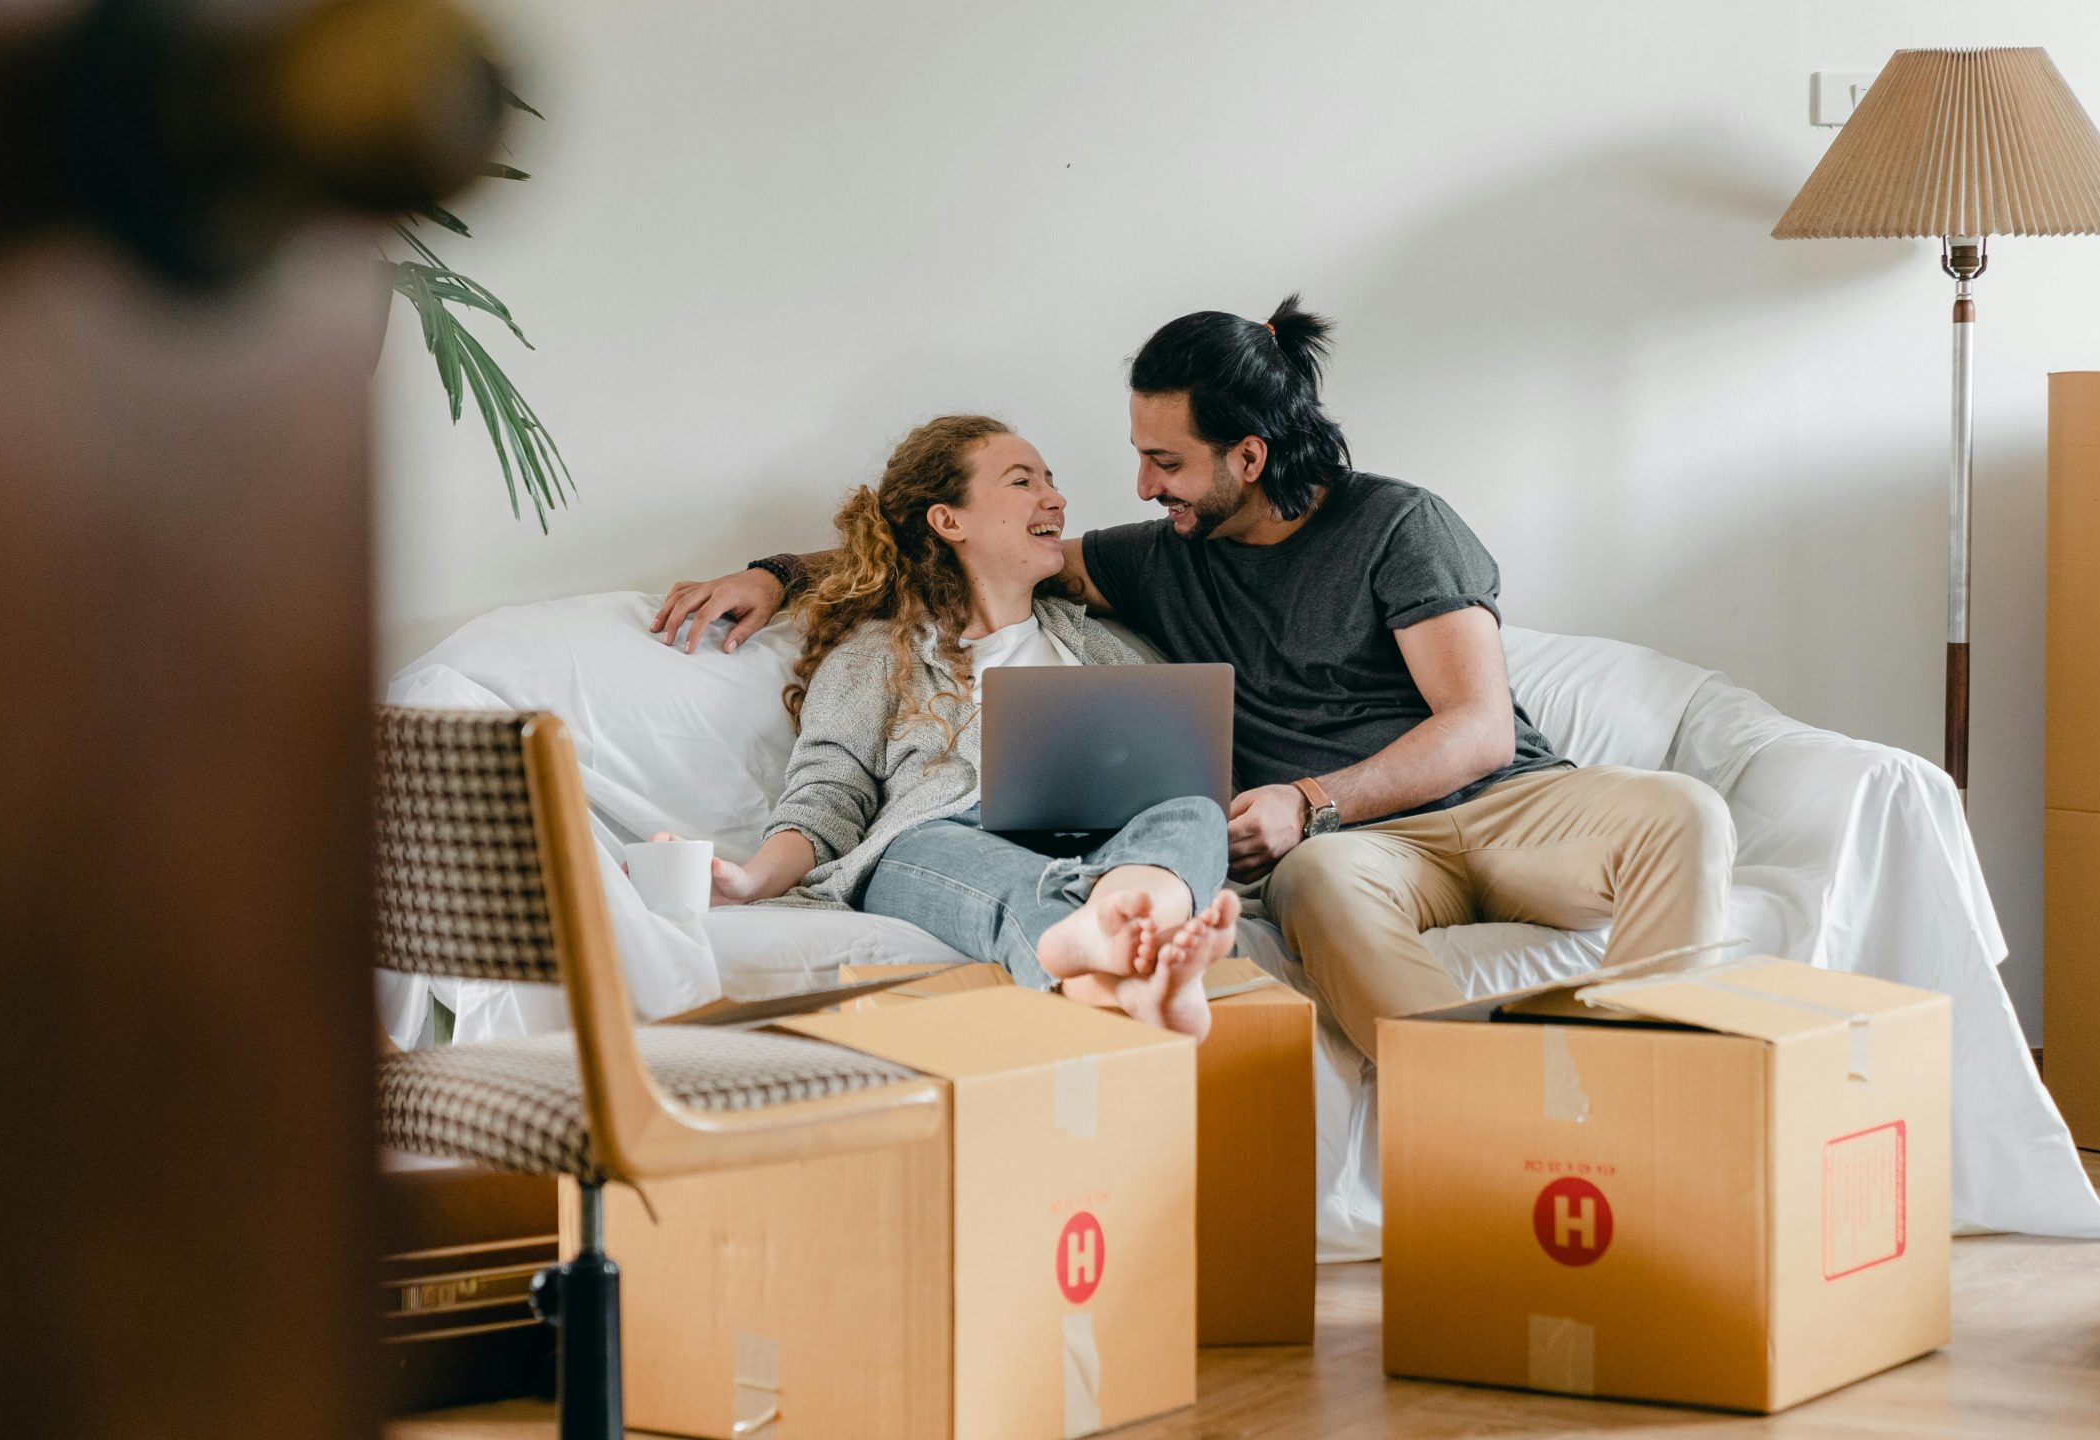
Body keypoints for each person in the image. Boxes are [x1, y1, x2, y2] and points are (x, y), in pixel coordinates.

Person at [653, 299, 1735, 1062]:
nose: (1135, 485)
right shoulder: (1147, 558)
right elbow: (929, 566)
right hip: (1348, 859)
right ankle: (1471, 1099)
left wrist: (1306, 801)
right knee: (1312, 888)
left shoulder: (1398, 527)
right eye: (1136, 456)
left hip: (1501, 809)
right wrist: (777, 573)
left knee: (1683, 815)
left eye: (1164, 462)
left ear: (1249, 458)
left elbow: (1478, 730)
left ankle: (1650, 1083)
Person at [663, 413, 1242, 1039]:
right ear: (948, 521)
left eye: (1050, 480)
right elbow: (826, 799)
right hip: (938, 847)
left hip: (1095, 849)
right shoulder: (877, 654)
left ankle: (1125, 933)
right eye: (1022, 482)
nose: (1056, 497)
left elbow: (1171, 777)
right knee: (923, 842)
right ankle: (1119, 954)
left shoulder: (1091, 645)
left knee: (1193, 809)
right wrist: (749, 880)